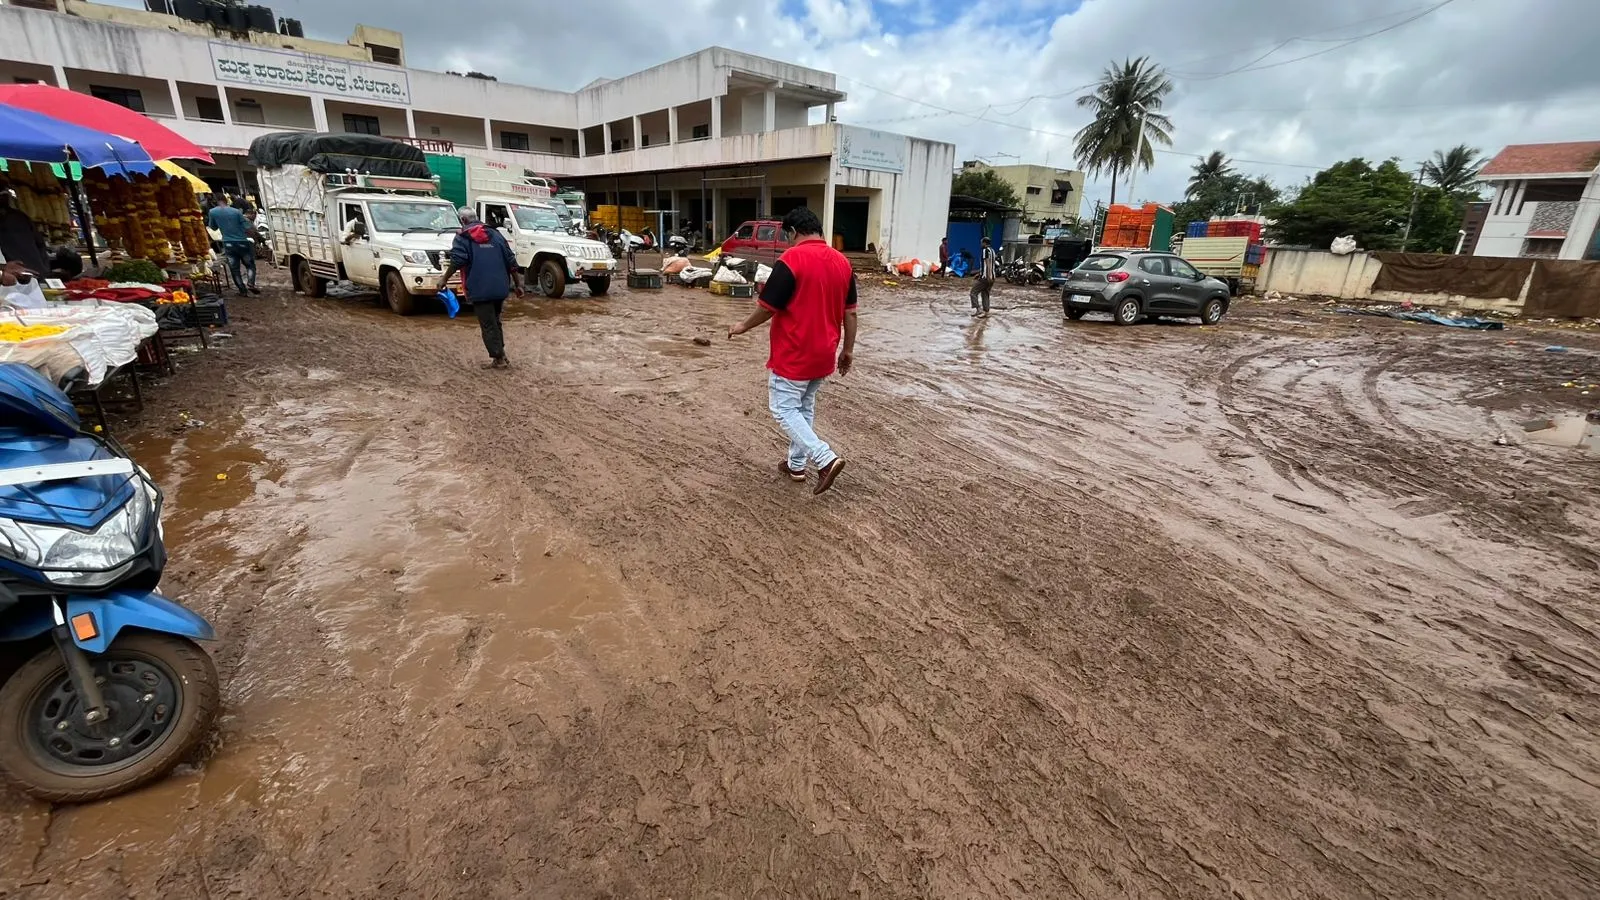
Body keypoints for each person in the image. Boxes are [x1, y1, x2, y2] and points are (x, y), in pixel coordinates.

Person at [727, 206, 856, 495]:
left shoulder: (791, 259)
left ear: (794, 232)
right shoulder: (843, 262)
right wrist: (847, 350)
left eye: (787, 236)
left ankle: (825, 459)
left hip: (794, 353)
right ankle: (796, 465)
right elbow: (851, 313)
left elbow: (767, 308)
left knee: (784, 409)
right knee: (803, 408)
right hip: (824, 354)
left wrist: (742, 326)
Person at [440, 207, 522, 369]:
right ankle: (501, 354)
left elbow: (457, 261)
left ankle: (499, 358)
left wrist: (444, 279)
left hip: (478, 287)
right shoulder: (496, 234)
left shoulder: (462, 237)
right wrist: (518, 284)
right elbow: (511, 261)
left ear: (463, 220)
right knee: (495, 321)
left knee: (488, 324)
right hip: (500, 287)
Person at [206, 196, 259, 296]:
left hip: (228, 243)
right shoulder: (236, 212)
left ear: (216, 202)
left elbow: (213, 227)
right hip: (242, 242)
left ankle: (242, 290)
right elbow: (246, 226)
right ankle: (251, 283)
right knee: (250, 265)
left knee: (235, 269)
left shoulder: (212, 212)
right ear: (227, 201)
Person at [0, 191, 49, 277]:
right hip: (28, 272)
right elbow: (40, 244)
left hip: (20, 273)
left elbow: (40, 244)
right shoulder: (21, 216)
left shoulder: (20, 217)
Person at [970, 236, 996, 317]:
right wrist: (980, 273)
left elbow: (987, 264)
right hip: (992, 276)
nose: (981, 244)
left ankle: (978, 309)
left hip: (986, 277)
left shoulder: (985, 251)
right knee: (985, 294)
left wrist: (987, 276)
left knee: (973, 292)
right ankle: (986, 312)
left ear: (984, 243)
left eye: (981, 242)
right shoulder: (992, 251)